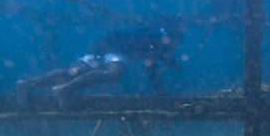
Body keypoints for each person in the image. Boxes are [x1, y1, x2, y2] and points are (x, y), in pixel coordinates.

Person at [16, 22, 184, 107]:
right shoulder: (156, 41)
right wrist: (162, 93)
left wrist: (172, 63)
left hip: (103, 44)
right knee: (114, 74)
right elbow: (152, 67)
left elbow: (161, 55)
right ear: (170, 38)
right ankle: (65, 90)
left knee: (74, 72)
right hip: (117, 49)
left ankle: (30, 84)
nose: (175, 47)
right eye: (175, 43)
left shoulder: (155, 35)